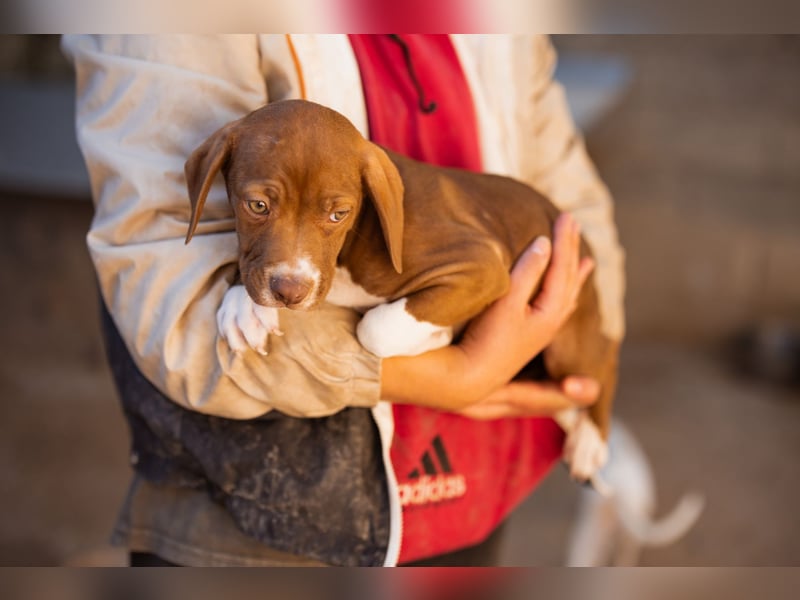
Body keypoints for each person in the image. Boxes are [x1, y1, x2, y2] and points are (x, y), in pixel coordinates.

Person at [62, 34, 625, 567]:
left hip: (469, 492)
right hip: (251, 513)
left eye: (335, 214)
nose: (294, 271)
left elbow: (575, 204)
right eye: (258, 205)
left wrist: (589, 365)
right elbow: (167, 281)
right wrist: (448, 373)